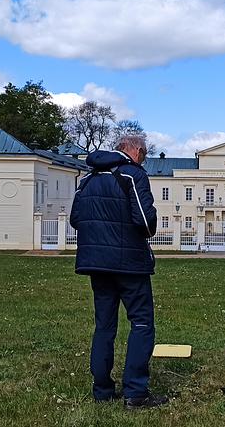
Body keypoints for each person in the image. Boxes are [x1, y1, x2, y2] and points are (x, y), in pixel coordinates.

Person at [69, 135, 168, 409]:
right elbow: (145, 220)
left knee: (104, 326)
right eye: (144, 155)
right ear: (135, 150)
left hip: (96, 263)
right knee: (142, 323)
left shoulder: (87, 179)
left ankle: (102, 390)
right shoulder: (133, 175)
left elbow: (76, 219)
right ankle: (135, 392)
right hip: (130, 264)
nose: (143, 160)